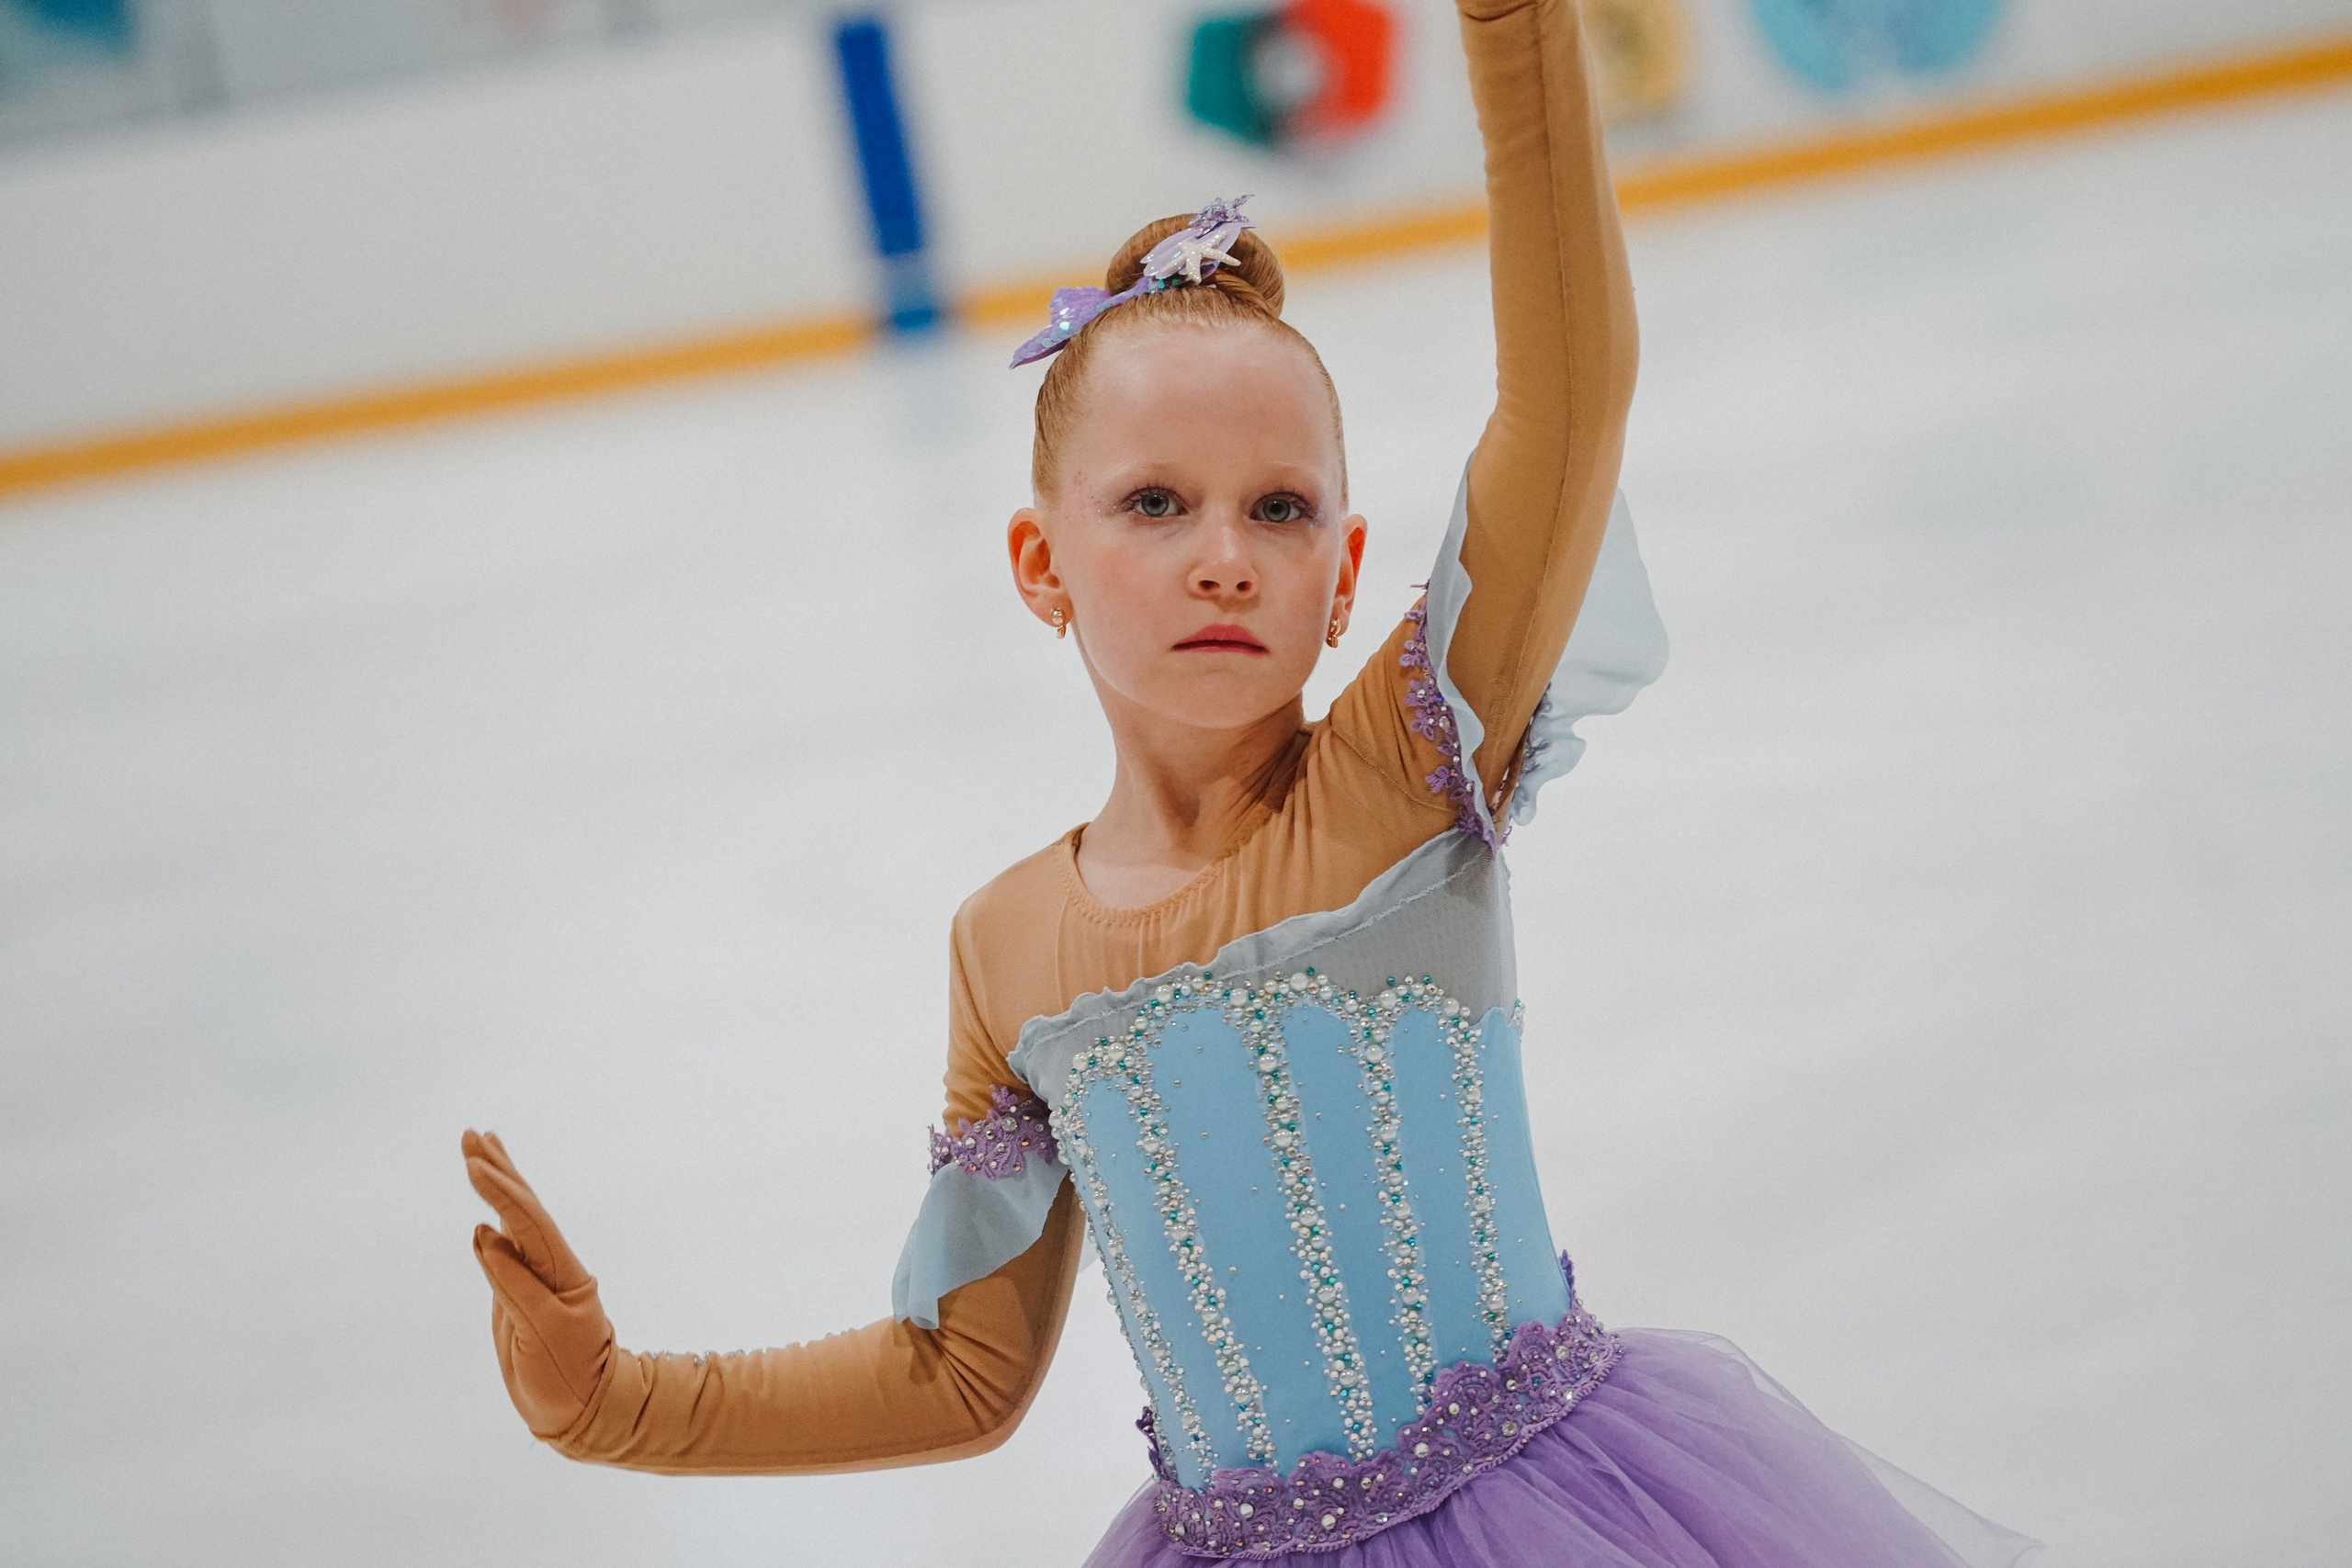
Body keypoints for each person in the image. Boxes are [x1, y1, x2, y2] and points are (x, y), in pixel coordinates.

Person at [462, 0, 2041, 1561]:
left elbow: (1566, 403)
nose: (1225, 558)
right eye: (1155, 503)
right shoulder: (1004, 948)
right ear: (1039, 563)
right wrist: (612, 1399)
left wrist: (1513, 23)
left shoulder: (1410, 765)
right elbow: (958, 1375)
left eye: (1279, 510)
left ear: (1347, 573)